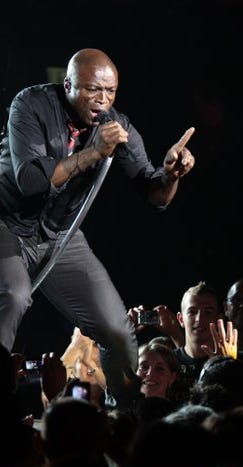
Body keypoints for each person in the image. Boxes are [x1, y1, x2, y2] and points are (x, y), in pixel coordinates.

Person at [0, 48, 196, 409]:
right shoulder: (30, 105)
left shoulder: (116, 125)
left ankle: (122, 419)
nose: (102, 100)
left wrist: (171, 175)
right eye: (92, 90)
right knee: (13, 295)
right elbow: (31, 182)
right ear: (69, 85)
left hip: (60, 237)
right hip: (8, 226)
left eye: (110, 91)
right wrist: (94, 153)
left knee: (118, 332)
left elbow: (155, 195)